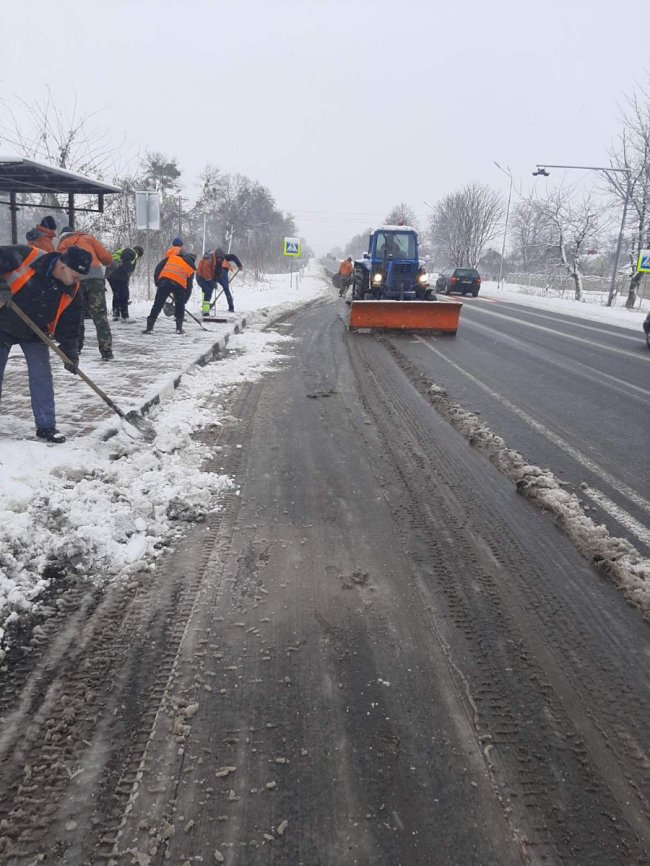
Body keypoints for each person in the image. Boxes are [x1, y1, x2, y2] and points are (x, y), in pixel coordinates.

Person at [0, 244, 92, 443]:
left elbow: (71, 325)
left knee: (41, 376)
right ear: (62, 268)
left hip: (35, 331)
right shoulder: (27, 256)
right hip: (3, 322)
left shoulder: (72, 288)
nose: (78, 281)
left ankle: (46, 426)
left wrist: (71, 352)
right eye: (76, 276)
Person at [58, 227, 114, 361]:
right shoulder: (87, 238)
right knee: (100, 315)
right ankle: (106, 350)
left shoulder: (61, 245)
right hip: (95, 278)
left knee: (78, 313)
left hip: (76, 279)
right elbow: (106, 258)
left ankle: (77, 347)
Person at [142, 249, 196, 335]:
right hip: (179, 285)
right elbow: (189, 286)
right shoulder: (191, 267)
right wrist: (184, 301)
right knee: (180, 307)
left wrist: (157, 281)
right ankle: (179, 329)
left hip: (165, 282)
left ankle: (149, 328)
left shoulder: (172, 257)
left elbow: (158, 268)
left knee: (158, 304)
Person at [106, 245, 144, 322]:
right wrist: (128, 271)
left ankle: (116, 315)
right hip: (118, 275)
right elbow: (126, 259)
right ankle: (125, 316)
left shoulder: (125, 251)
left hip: (110, 275)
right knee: (124, 295)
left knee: (117, 295)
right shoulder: (131, 251)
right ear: (139, 253)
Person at [212, 248, 243, 313]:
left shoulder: (225, 257)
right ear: (215, 256)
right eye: (218, 258)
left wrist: (239, 265)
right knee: (209, 287)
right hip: (214, 273)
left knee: (226, 289)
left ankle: (231, 307)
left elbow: (233, 256)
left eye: (220, 258)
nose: (219, 259)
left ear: (223, 256)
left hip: (223, 273)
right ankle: (206, 305)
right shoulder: (211, 258)